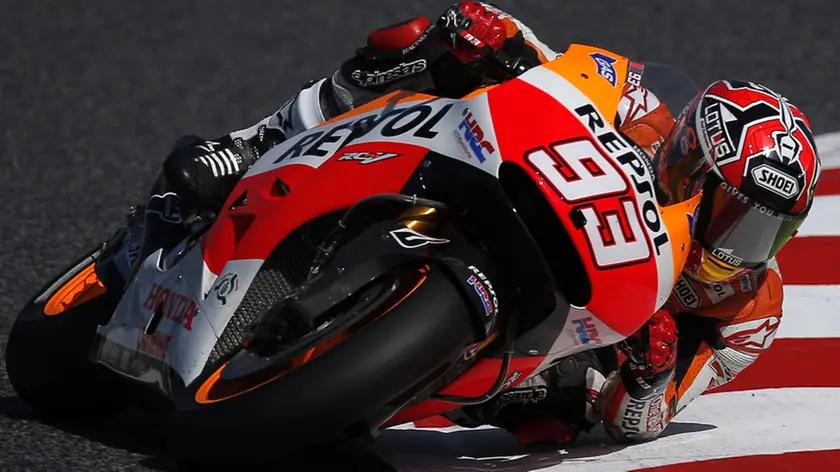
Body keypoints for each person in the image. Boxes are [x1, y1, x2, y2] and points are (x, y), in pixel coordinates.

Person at [96, 2, 822, 445]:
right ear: (690, 157)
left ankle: (391, 375)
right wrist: (491, 35)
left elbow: (642, 422)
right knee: (427, 42)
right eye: (732, 211)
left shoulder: (749, 312)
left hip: (580, 327)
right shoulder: (639, 103)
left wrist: (650, 371)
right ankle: (252, 145)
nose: (739, 244)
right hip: (523, 185)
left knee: (564, 415)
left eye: (765, 230)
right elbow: (549, 68)